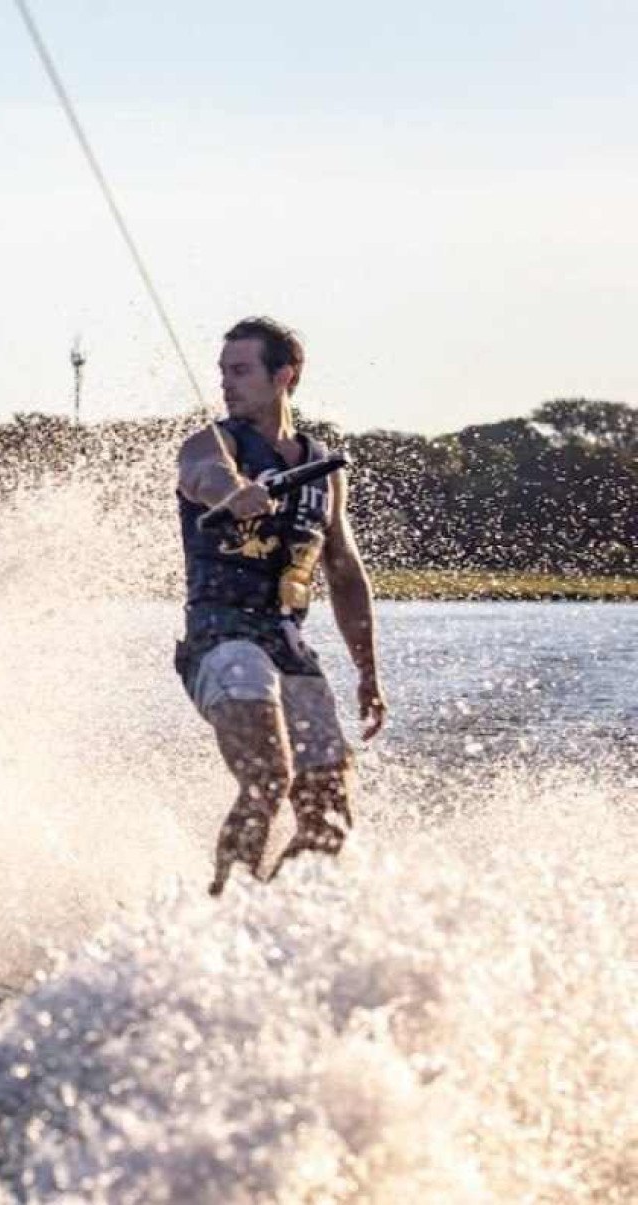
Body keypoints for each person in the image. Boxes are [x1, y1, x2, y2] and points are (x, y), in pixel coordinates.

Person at [174, 317, 387, 895]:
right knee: (267, 779)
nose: (227, 384)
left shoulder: (321, 467)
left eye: (240, 371)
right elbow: (204, 478)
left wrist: (367, 670)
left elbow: (342, 569)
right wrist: (233, 493)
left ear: (284, 376)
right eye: (223, 372)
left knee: (329, 813)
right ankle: (218, 920)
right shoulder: (210, 446)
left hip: (289, 644)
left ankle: (271, 921)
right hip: (220, 637)